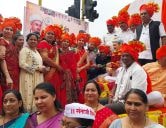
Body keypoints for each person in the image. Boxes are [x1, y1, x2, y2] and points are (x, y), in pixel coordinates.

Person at [107, 42, 148, 114]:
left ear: (133, 57)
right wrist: (111, 95)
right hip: (117, 99)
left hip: (129, 103)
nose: (124, 58)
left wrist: (117, 101)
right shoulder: (123, 68)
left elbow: (135, 93)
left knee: (104, 109)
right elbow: (116, 84)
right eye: (123, 56)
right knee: (97, 101)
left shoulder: (138, 70)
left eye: (127, 56)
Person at [19, 33, 45, 112]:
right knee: (28, 95)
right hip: (28, 76)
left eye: (35, 40)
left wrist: (44, 68)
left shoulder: (37, 52)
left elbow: (38, 63)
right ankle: (26, 116)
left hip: (37, 77)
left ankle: (35, 114)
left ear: (37, 41)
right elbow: (22, 64)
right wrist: (38, 68)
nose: (33, 41)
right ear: (27, 40)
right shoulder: (24, 50)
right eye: (31, 39)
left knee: (36, 94)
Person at [0, 17, 22, 91]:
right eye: (6, 29)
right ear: (2, 30)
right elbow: (2, 60)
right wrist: (7, 76)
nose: (9, 31)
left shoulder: (11, 43)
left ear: (13, 32)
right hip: (7, 74)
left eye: (11, 30)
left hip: (15, 73)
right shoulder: (2, 41)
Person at [58, 33, 78, 108]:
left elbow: (73, 66)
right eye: (64, 41)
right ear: (61, 42)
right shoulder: (57, 51)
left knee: (67, 93)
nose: (65, 43)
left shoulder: (71, 53)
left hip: (68, 76)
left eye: (67, 42)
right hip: (59, 74)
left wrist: (74, 76)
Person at [75, 33, 90, 103]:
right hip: (74, 72)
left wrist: (80, 69)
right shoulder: (73, 50)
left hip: (83, 72)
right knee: (75, 89)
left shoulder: (85, 52)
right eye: (79, 40)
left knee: (82, 89)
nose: (81, 41)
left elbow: (88, 64)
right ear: (77, 41)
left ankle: (83, 103)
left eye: (82, 41)